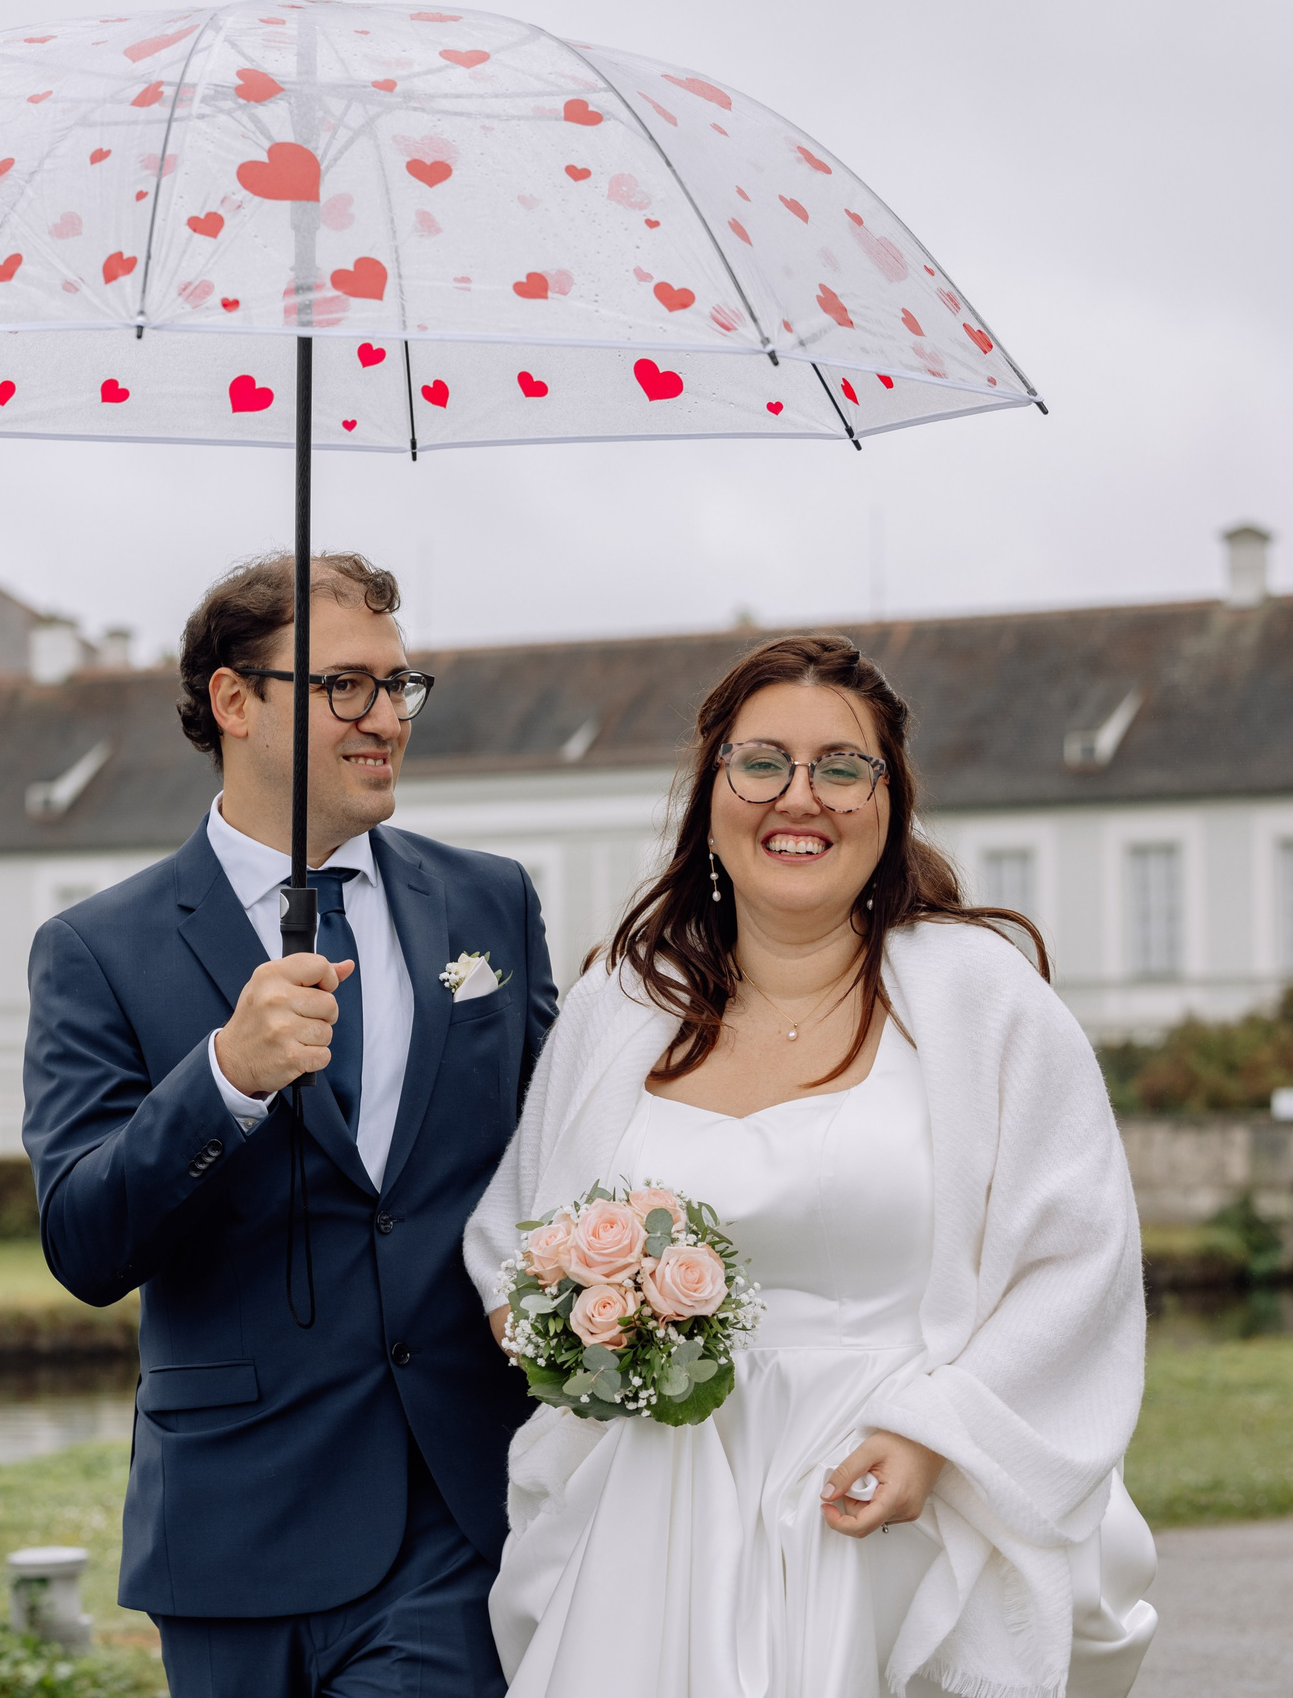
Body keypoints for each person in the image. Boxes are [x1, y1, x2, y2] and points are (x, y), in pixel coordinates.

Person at [463, 634, 1157, 1698]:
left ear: (888, 800)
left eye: (842, 766)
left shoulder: (983, 999)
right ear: (711, 792)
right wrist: (571, 1328)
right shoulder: (620, 1006)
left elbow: (1080, 1257)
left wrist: (937, 1439)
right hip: (660, 1503)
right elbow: (517, 1236)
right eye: (761, 763)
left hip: (893, 1498)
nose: (802, 796)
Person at [24, 552, 559, 1696]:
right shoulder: (97, 951)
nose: (385, 718)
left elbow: (567, 1142)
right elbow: (84, 1241)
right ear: (234, 700)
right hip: (228, 1524)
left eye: (399, 685)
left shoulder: (490, 902)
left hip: (453, 1512)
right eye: (344, 688)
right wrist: (223, 1076)